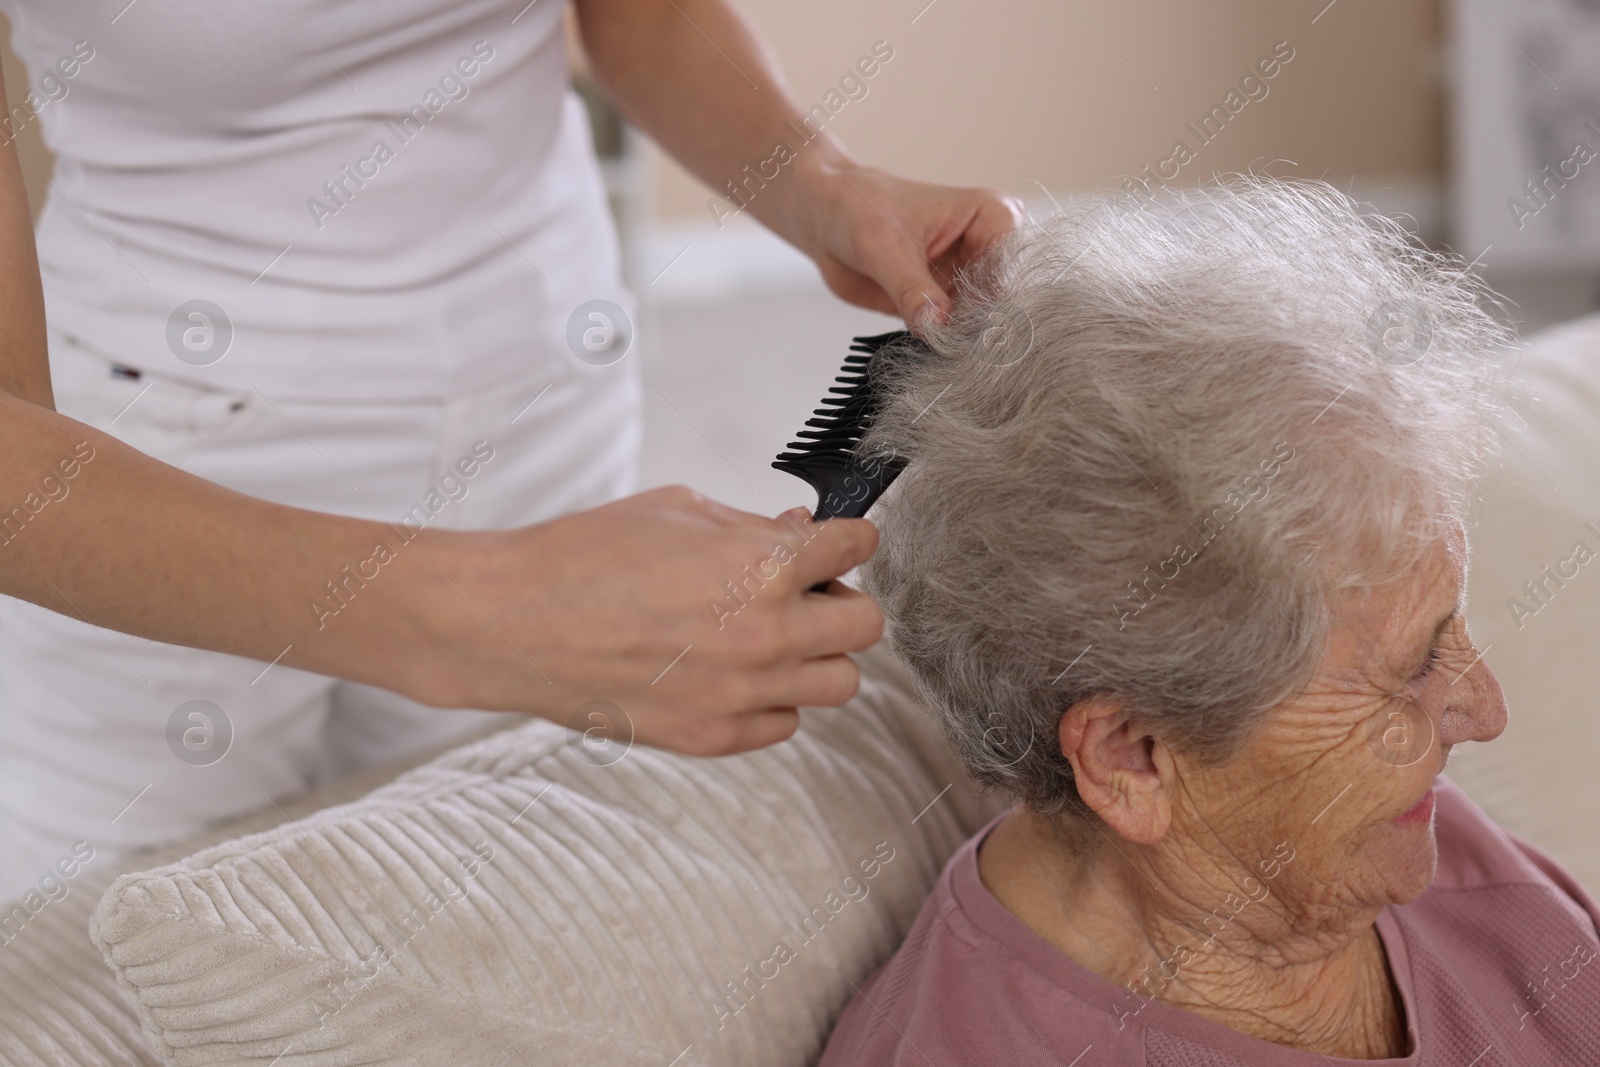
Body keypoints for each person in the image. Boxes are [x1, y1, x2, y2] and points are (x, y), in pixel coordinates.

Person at [0, 1, 1021, 900]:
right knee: (109, 947)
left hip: (544, 376)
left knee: (472, 908)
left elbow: (647, 14)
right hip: (162, 466)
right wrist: (479, 616)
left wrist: (823, 184)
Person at [820, 180, 1600, 1063]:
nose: (1486, 710)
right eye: (1410, 669)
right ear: (1131, 757)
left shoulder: (1422, 841)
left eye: (1450, 625)